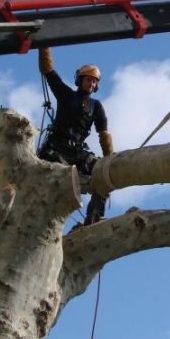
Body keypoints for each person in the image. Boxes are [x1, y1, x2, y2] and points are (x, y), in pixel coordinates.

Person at [37, 47, 113, 225]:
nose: (91, 84)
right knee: (58, 185)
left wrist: (110, 159)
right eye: (88, 80)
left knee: (103, 172)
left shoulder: (96, 106)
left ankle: (93, 218)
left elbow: (103, 134)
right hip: (57, 148)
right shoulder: (66, 95)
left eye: (95, 82)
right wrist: (44, 45)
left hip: (77, 151)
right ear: (80, 80)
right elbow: (48, 70)